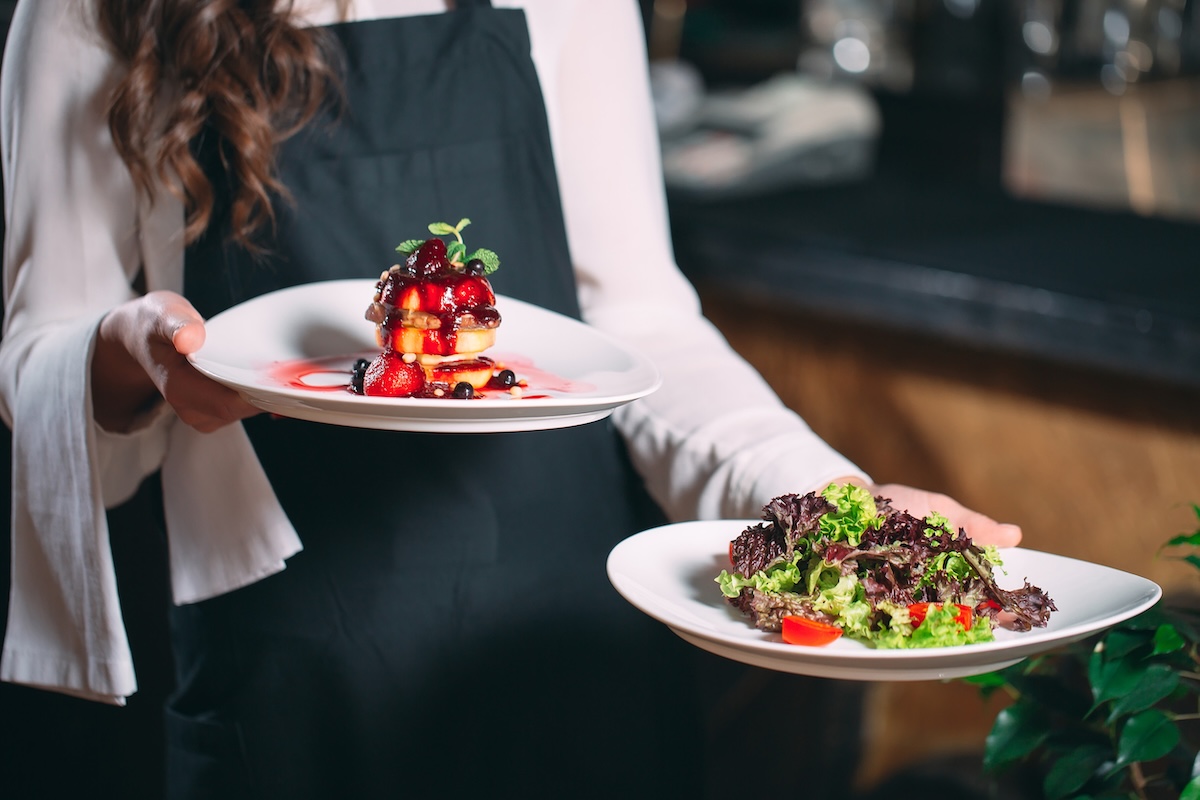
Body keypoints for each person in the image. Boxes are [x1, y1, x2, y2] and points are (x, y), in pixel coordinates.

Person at [0, 0, 1022, 797]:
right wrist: (138, 352)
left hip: (568, 644)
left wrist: (829, 507)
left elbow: (645, 327)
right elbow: (40, 349)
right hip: (295, 665)